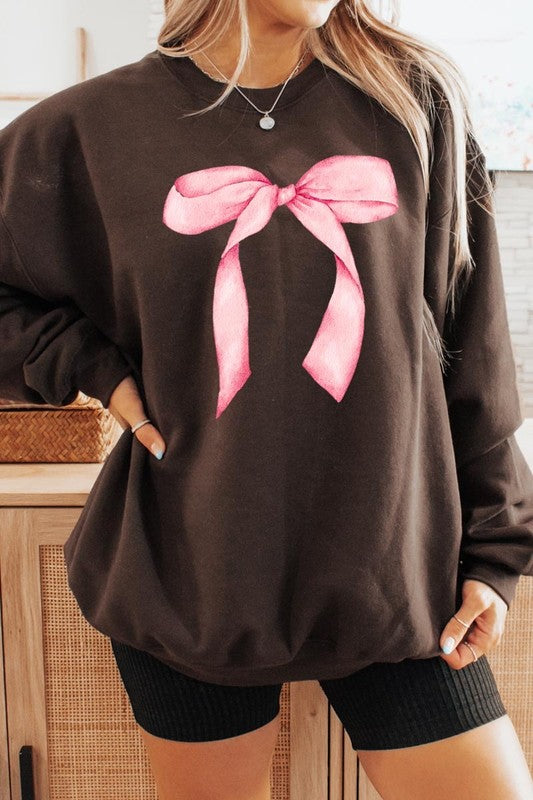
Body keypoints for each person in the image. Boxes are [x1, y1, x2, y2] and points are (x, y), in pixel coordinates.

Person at [1, 0, 533, 797]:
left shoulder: (413, 105)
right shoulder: (88, 131)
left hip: (396, 573)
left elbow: (473, 348)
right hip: (190, 575)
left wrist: (495, 550)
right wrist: (92, 368)